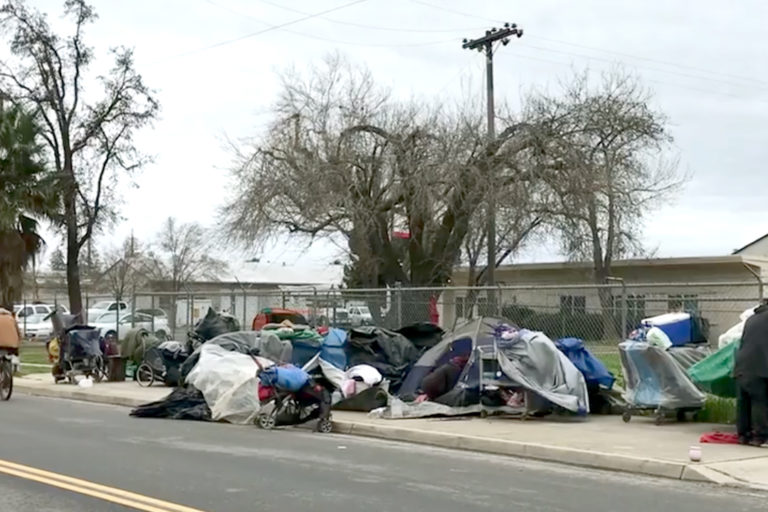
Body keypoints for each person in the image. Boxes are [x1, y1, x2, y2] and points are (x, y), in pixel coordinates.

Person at [733, 300, 768, 446]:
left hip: (742, 364)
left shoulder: (752, 319)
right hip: (759, 366)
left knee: (744, 401)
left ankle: (743, 435)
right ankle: (761, 436)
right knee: (760, 400)